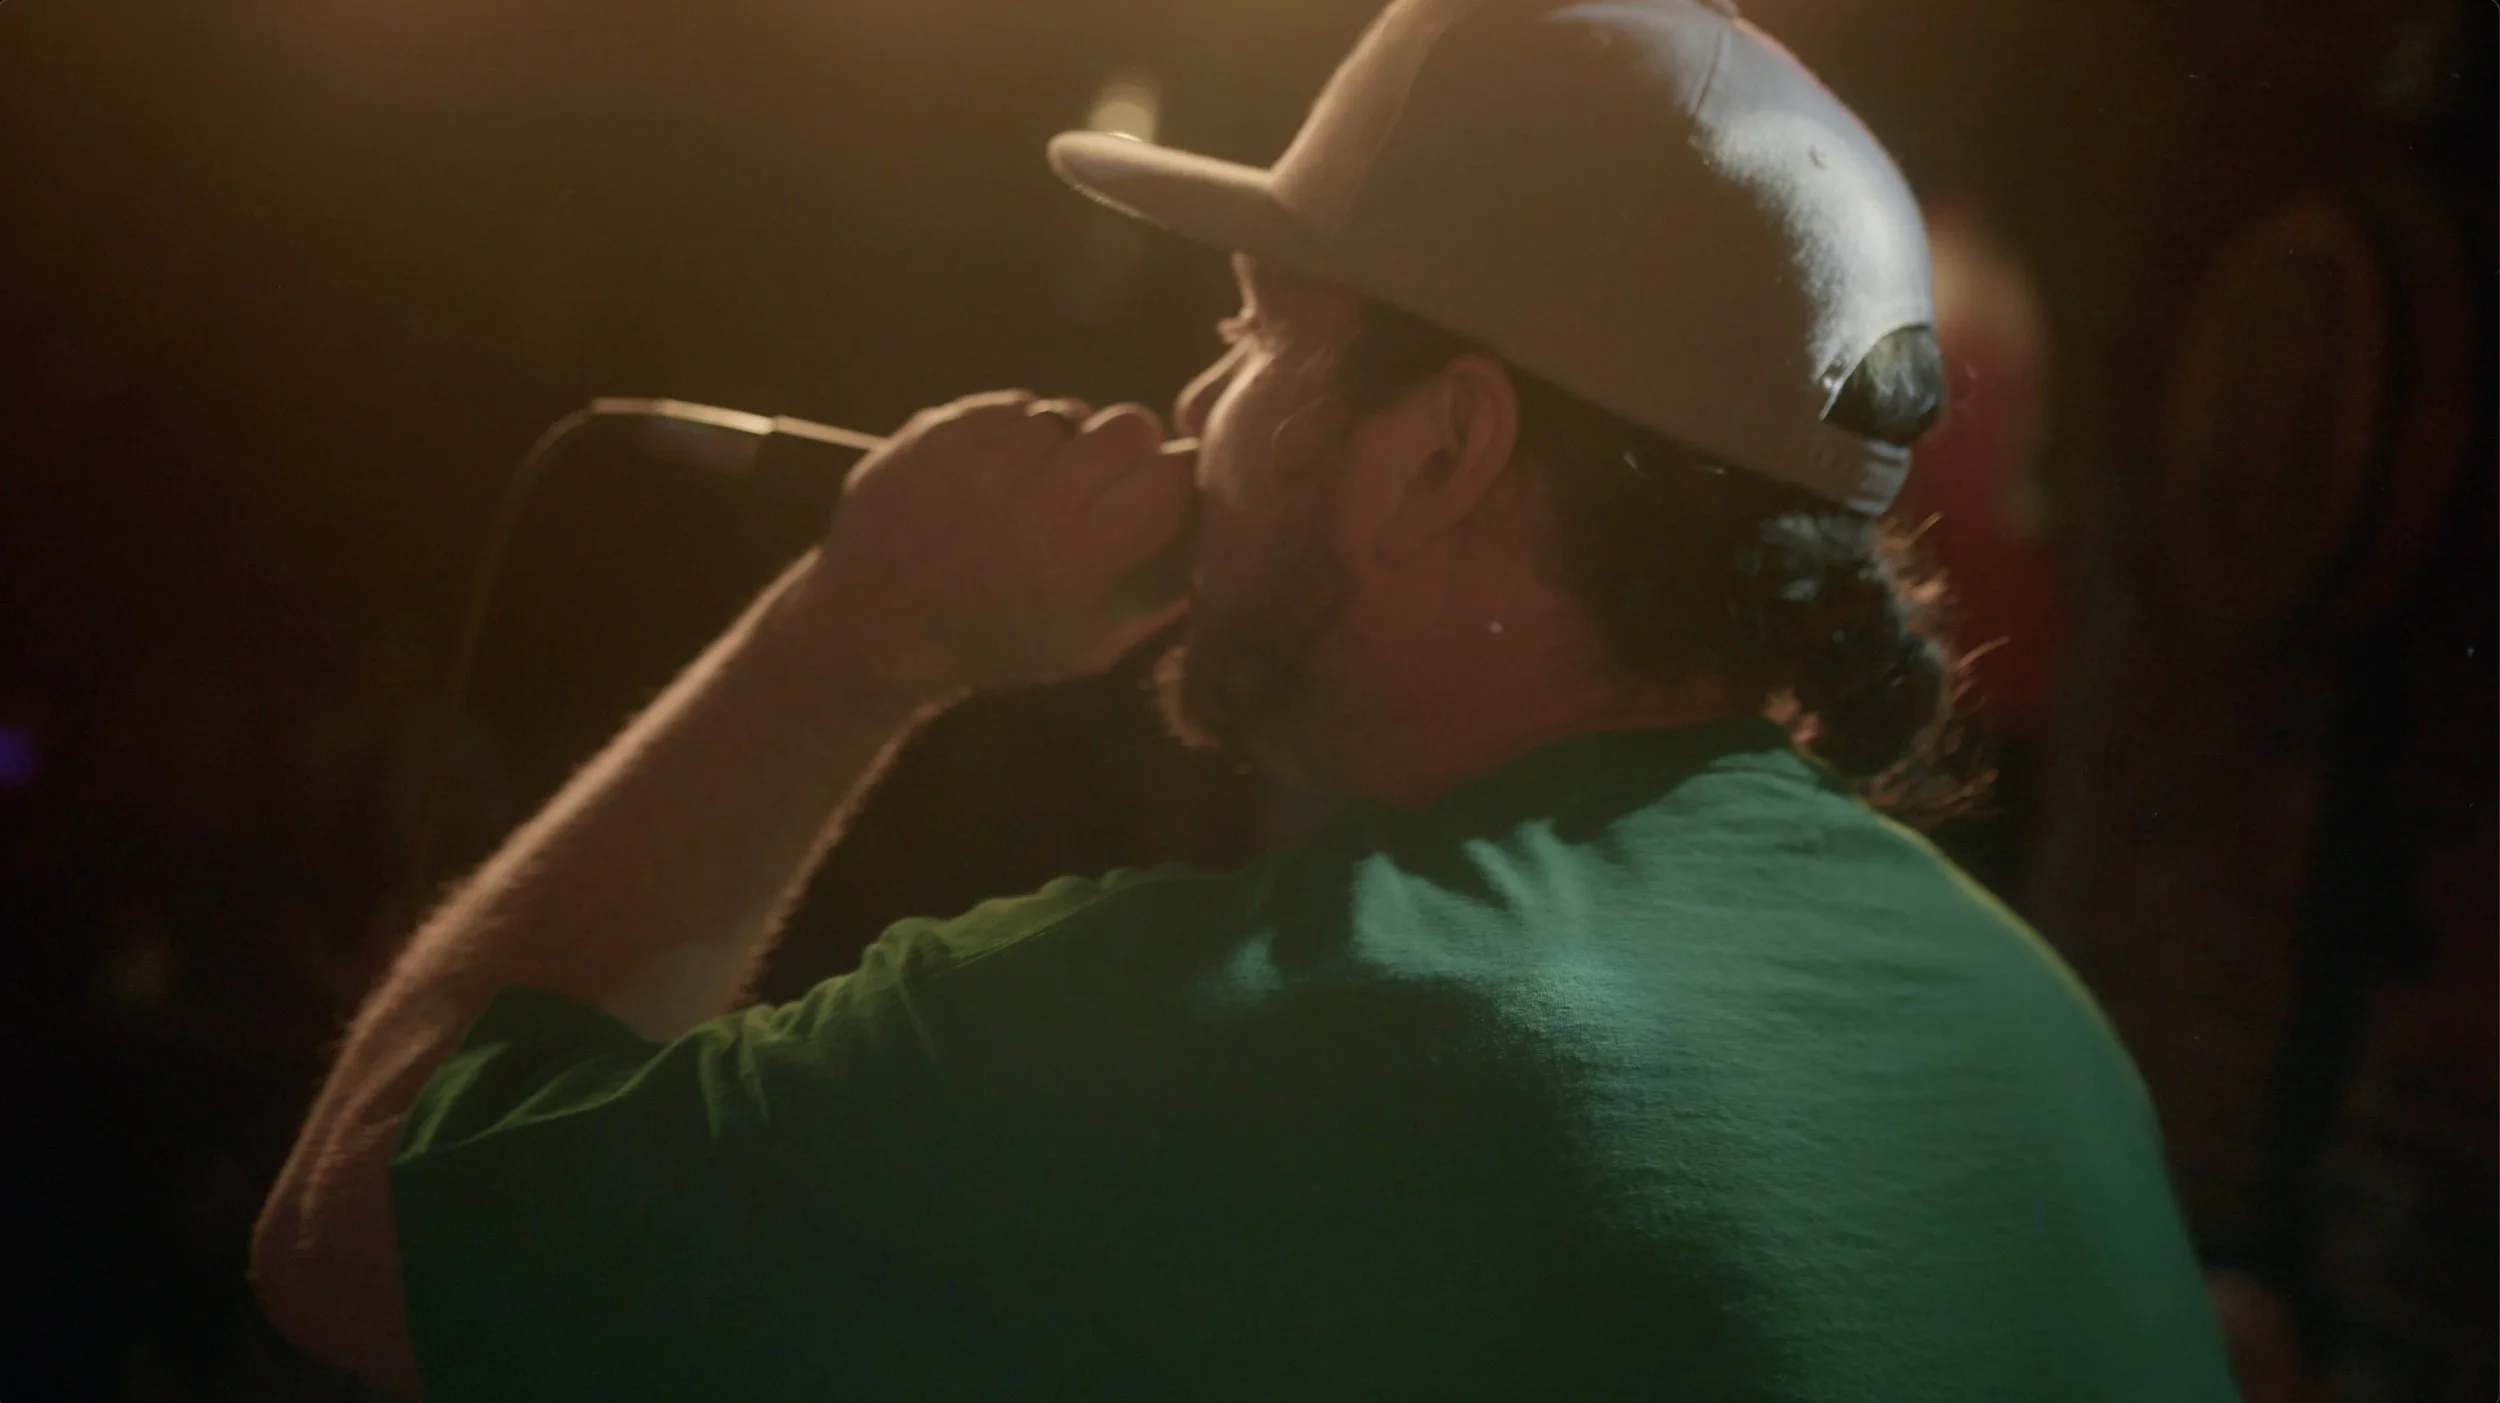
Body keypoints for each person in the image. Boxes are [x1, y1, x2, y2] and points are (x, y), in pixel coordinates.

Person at [252, 1, 2239, 1397]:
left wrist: (847, 646)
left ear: (1440, 452)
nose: (1197, 403)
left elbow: (358, 1235)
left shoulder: (1276, 1027)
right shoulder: (2030, 1028)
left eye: (1260, 331)